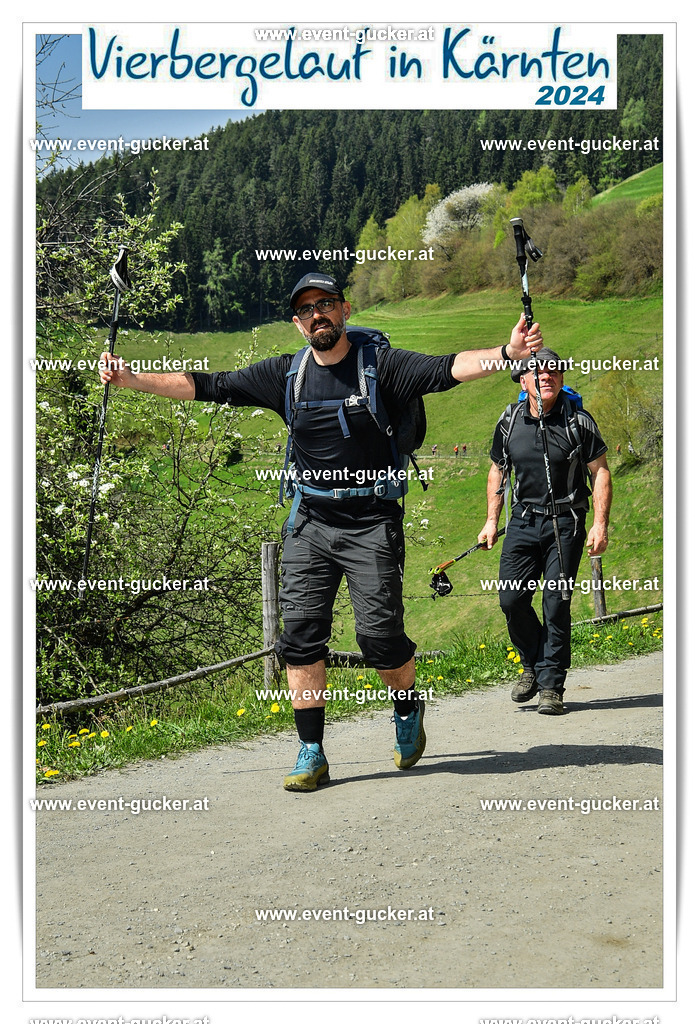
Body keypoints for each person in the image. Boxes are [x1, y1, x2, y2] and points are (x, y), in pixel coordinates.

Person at [100, 271, 543, 787]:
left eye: (326, 303)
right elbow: (210, 385)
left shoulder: (381, 365)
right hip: (309, 522)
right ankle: (311, 751)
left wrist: (507, 354)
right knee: (301, 637)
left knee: (380, 639)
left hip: (371, 522)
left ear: (344, 310)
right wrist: (131, 379)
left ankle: (406, 707)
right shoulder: (286, 375)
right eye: (307, 309)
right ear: (297, 323)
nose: (318, 314)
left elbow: (447, 369)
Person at [478, 348, 612, 716]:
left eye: (554, 371)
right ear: (524, 382)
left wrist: (599, 524)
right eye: (538, 372)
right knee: (511, 600)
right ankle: (533, 665)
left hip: (566, 523)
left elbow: (600, 471)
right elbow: (498, 471)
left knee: (556, 603)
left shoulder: (578, 421)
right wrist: (491, 521)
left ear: (561, 379)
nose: (547, 376)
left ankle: (551, 686)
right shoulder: (509, 420)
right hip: (522, 522)